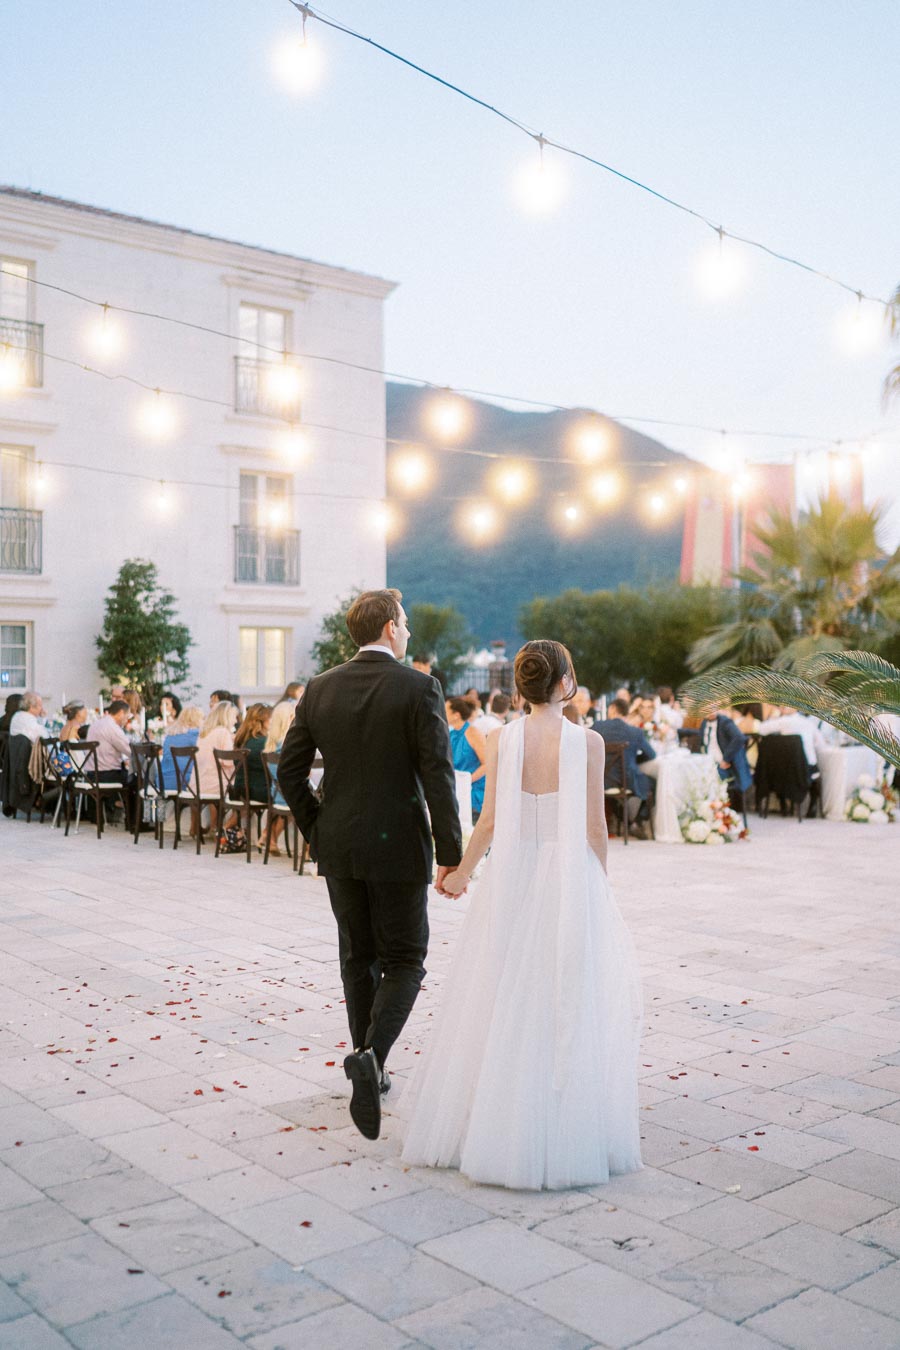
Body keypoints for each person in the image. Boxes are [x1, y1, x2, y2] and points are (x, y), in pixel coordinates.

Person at [402, 639, 642, 1190]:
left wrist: (462, 872)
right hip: (568, 876)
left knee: (500, 987)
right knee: (564, 992)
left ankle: (493, 1119)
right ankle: (558, 1118)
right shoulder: (587, 741)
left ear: (523, 685)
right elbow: (595, 827)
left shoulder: (502, 738)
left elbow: (487, 822)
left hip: (511, 874)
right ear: (565, 682)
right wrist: (597, 882)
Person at [278, 587, 461, 1142]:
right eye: (404, 624)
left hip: (340, 847)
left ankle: (369, 1068)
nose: (407, 633)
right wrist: (452, 854)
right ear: (388, 628)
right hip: (400, 847)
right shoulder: (419, 687)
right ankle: (372, 1057)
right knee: (406, 958)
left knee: (358, 957)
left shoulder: (319, 688)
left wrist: (318, 827)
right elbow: (437, 777)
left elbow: (288, 773)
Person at [592, 698, 656, 837]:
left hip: (600, 781)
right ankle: (637, 821)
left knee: (612, 796)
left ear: (613, 709)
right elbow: (651, 754)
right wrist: (634, 759)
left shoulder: (597, 727)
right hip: (626, 780)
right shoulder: (635, 732)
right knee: (654, 783)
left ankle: (628, 822)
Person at [85, 699, 135, 824]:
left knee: (132, 777)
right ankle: (135, 821)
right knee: (138, 781)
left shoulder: (95, 724)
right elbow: (130, 750)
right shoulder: (113, 728)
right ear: (121, 713)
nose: (126, 720)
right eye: (127, 716)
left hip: (91, 774)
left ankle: (121, 814)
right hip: (106, 775)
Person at [194, 700, 238, 836]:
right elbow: (227, 762)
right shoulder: (223, 733)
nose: (236, 721)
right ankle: (221, 828)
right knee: (240, 785)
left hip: (197, 783)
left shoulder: (204, 733)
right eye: (234, 716)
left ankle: (213, 826)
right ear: (226, 716)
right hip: (216, 785)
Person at [261, 698, 296, 854]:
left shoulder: (271, 744)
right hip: (289, 795)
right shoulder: (289, 743)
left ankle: (268, 837)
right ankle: (310, 850)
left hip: (276, 794)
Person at [446, 697, 487, 823]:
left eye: (445, 710)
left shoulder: (473, 732)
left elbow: (488, 764)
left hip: (474, 792)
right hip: (458, 791)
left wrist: (467, 781)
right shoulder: (451, 734)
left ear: (456, 715)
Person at [701, 707, 752, 801]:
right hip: (708, 763)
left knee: (707, 777)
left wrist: (726, 759)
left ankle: (715, 809)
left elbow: (739, 738)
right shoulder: (704, 723)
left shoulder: (724, 722)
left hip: (725, 767)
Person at [756, 705, 826, 773]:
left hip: (791, 770)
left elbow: (761, 729)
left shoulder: (783, 721)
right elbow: (821, 744)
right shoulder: (808, 722)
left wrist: (773, 716)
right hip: (810, 769)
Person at [160, 706, 204, 791]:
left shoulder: (170, 735)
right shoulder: (196, 735)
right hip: (185, 782)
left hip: (163, 781)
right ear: (197, 720)